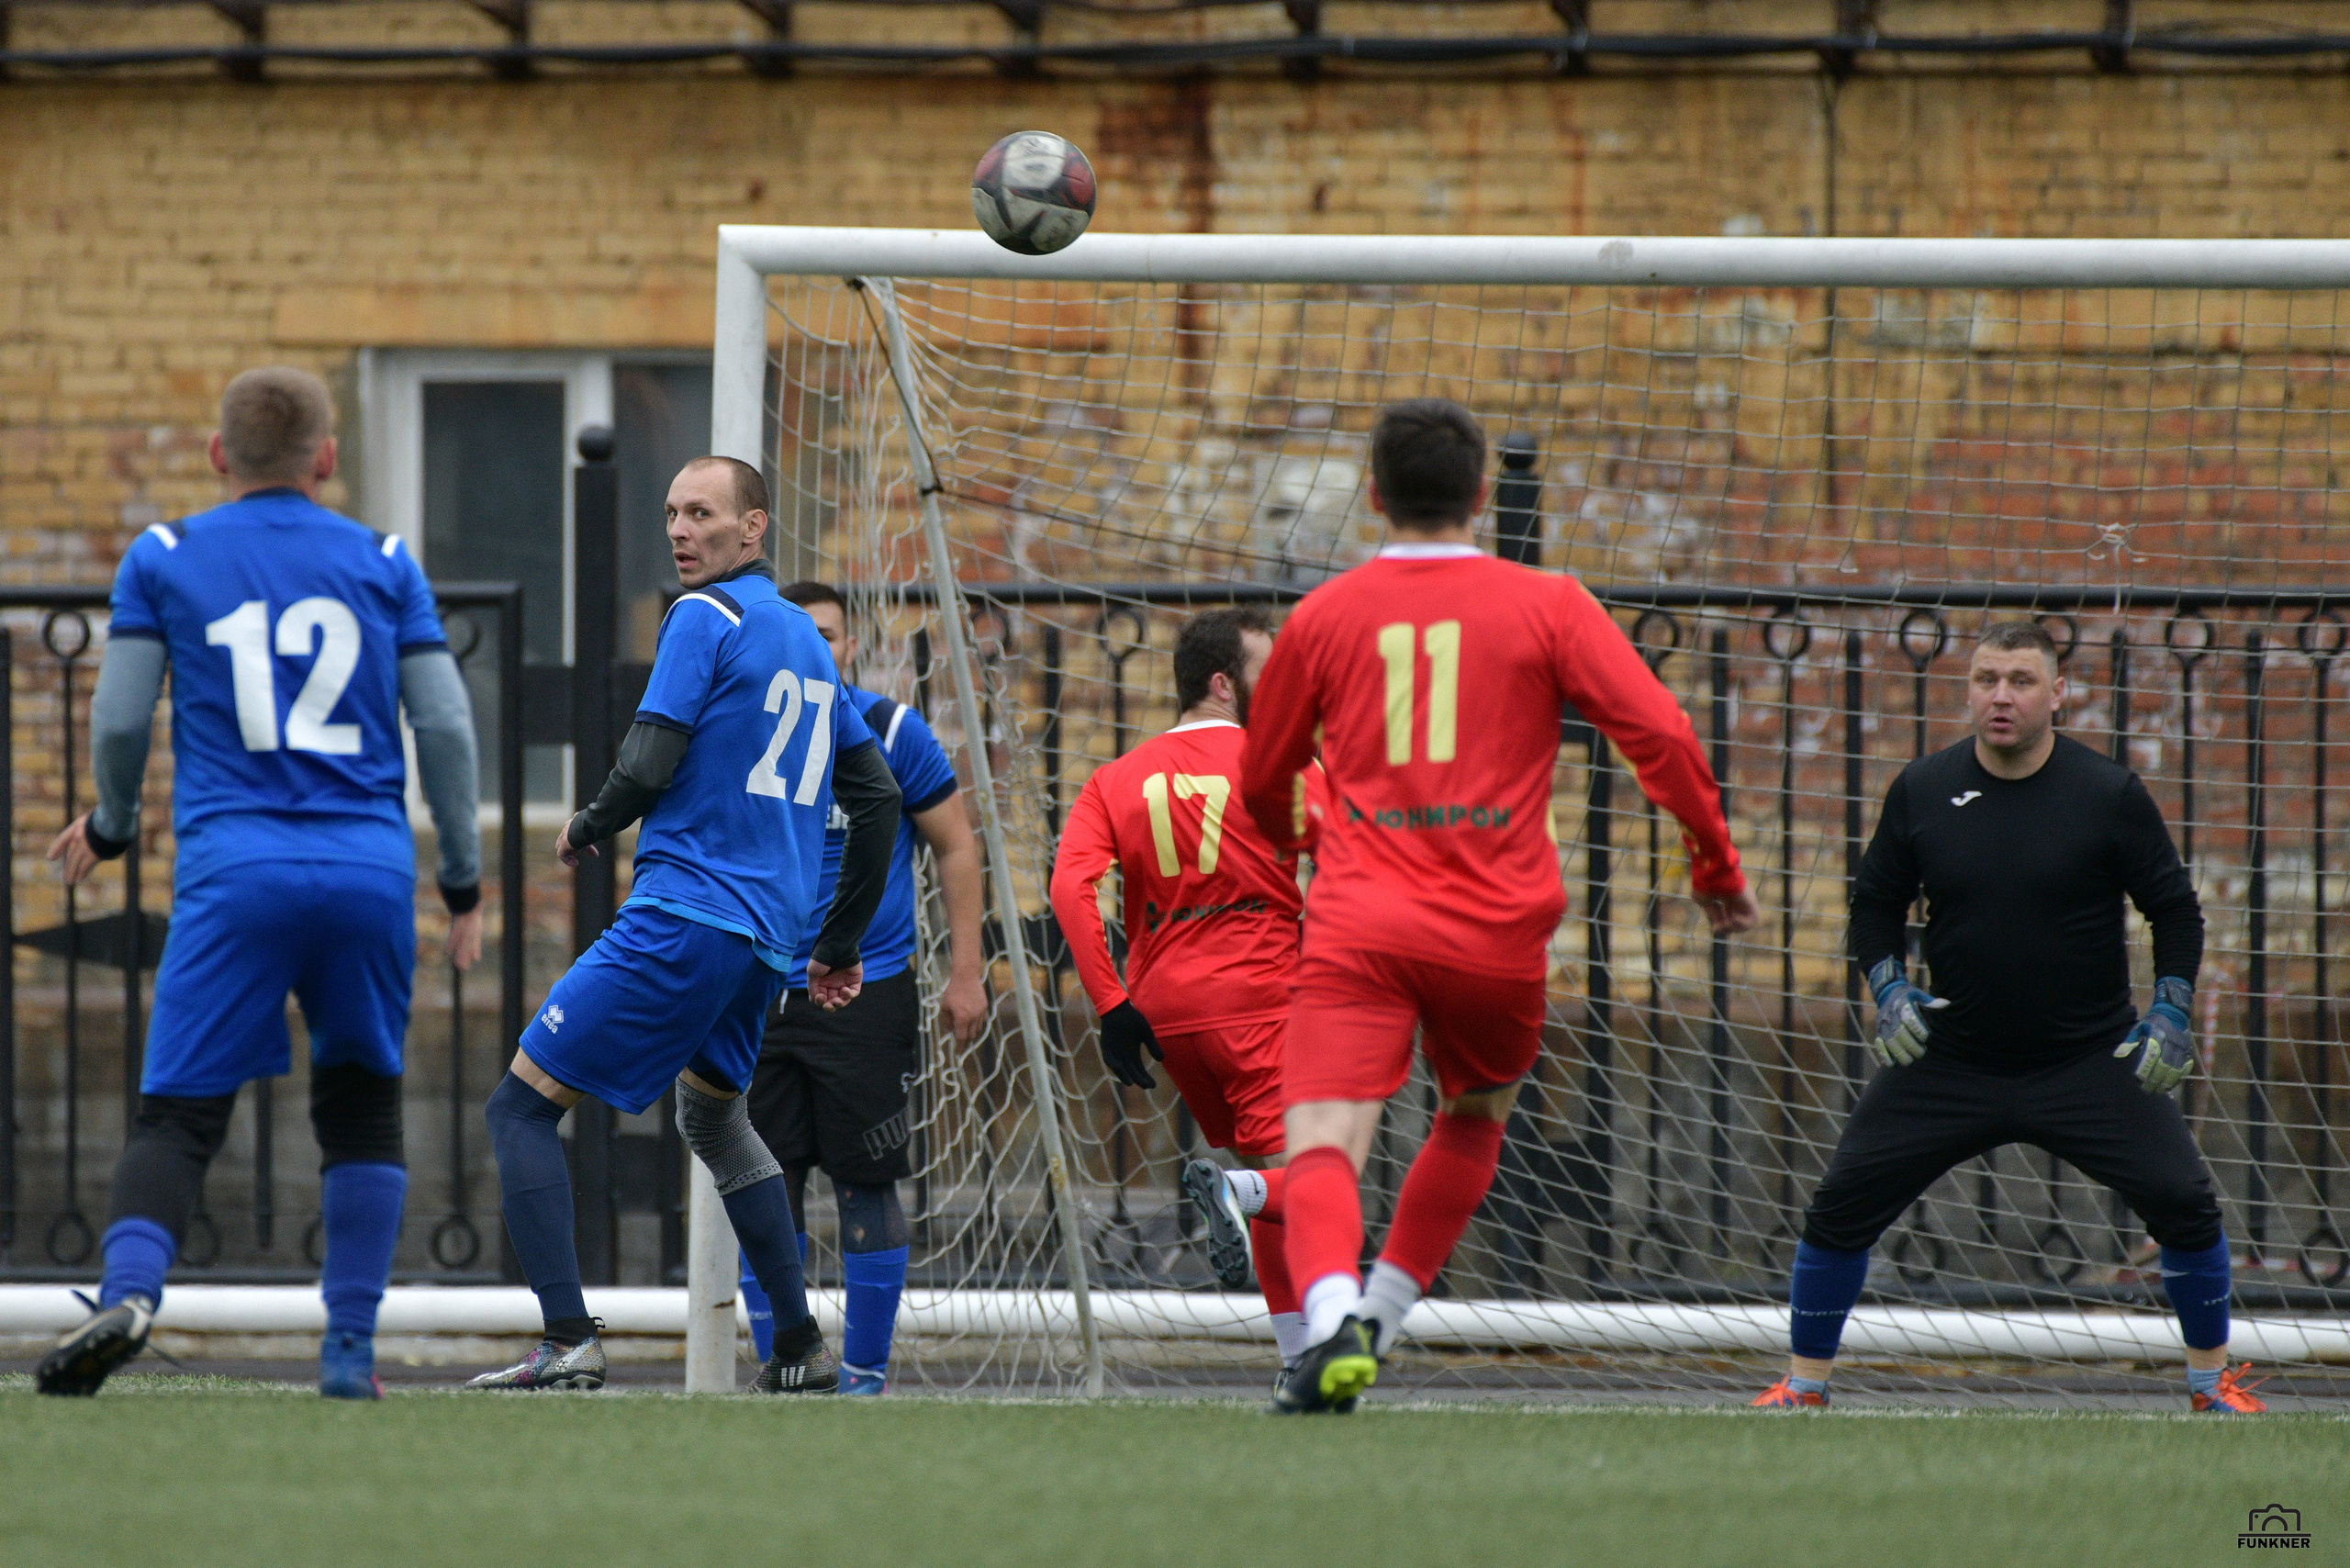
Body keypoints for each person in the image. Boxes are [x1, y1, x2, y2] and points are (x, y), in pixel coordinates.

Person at [1238, 398, 1758, 1414]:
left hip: (1361, 924)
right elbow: (1662, 736)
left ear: (1375, 496)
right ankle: (1376, 1323)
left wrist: (1301, 837)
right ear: (1481, 495)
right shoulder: (1551, 603)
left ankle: (1335, 1311)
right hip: (1497, 931)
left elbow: (1263, 774)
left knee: (1322, 1140)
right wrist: (1714, 869)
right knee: (1474, 1115)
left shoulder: (1325, 616)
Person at [37, 367, 483, 1400]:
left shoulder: (167, 557)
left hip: (235, 869)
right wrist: (460, 882)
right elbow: (449, 728)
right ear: (326, 458)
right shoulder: (382, 558)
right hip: (367, 866)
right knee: (363, 1107)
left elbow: (117, 716)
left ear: (217, 456)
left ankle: (133, 1292)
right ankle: (350, 1353)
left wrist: (110, 823)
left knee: (178, 1112)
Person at [465, 457, 899, 1394]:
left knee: (519, 1107)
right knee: (713, 1116)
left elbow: (651, 756)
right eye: (670, 513)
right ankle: (794, 1344)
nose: (679, 529)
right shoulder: (807, 641)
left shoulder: (704, 615)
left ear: (753, 530)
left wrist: (589, 821)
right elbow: (876, 799)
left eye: (700, 512)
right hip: (764, 943)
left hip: (686, 913)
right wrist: (838, 940)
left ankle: (568, 1337)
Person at [1753, 620, 2262, 1414]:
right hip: (1951, 1057)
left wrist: (2169, 1007)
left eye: (2021, 681)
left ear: (2057, 694)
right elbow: (1874, 906)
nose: (2001, 696)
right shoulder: (1921, 789)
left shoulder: (2108, 794)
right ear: (1969, 690)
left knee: (2186, 1201)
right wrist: (1888, 988)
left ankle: (2211, 1387)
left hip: (2088, 1060)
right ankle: (1803, 1387)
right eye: (1986, 679)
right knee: (1840, 1203)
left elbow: (2176, 912)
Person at [1049, 608, 1326, 1385]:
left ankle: (1297, 1361)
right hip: (1261, 998)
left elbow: (1070, 887)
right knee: (1317, 1174)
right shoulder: (1281, 766)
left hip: (1168, 1012)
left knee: (1267, 1173)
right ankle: (1237, 1198)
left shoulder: (1115, 778)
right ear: (1222, 683)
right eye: (1267, 674)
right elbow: (1352, 856)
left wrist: (1111, 1004)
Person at [733, 580, 989, 1396]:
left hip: (869, 994)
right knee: (759, 1180)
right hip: (762, 991)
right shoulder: (742, 733)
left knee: (866, 1182)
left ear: (852, 647)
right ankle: (786, 1368)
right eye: (802, 633)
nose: (819, 645)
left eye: (832, 634)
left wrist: (966, 972)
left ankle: (864, 1376)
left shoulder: (890, 731)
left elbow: (954, 846)